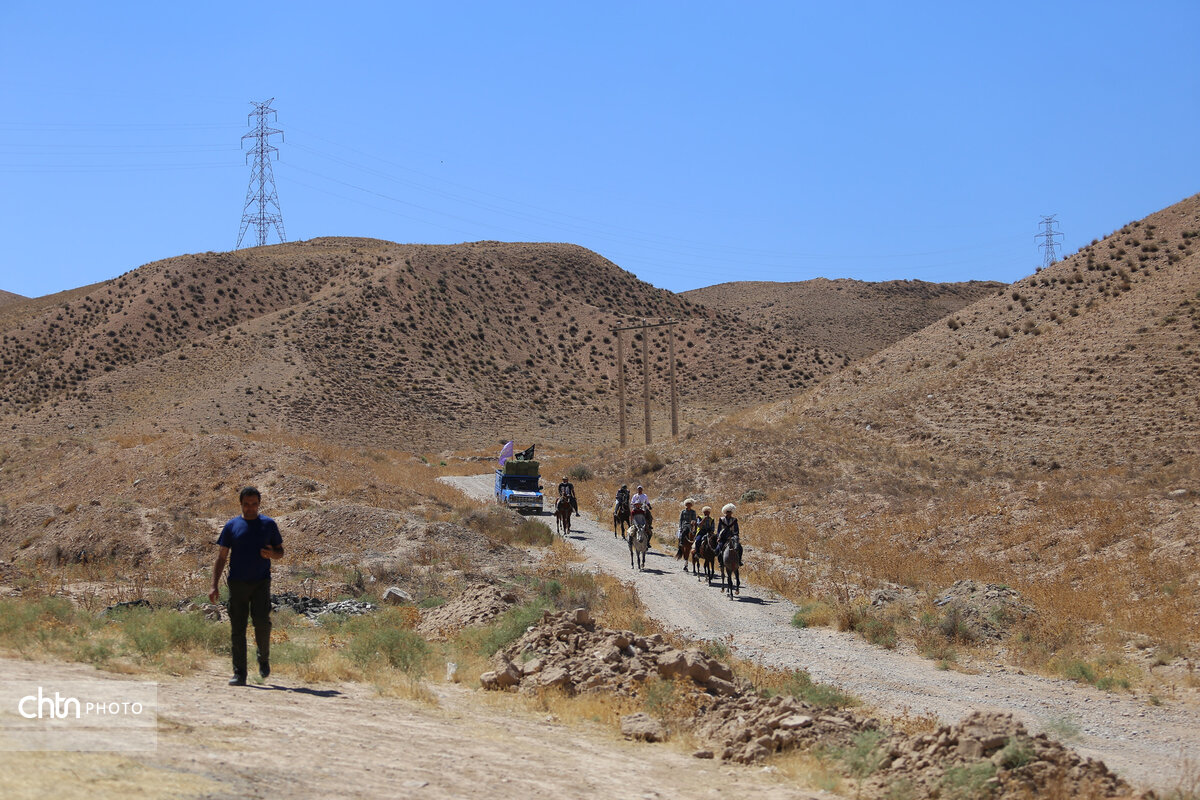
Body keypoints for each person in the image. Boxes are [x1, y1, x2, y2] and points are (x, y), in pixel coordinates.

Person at [210, 486, 284, 686]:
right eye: (246, 504)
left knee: (262, 623)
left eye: (254, 504)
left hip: (261, 582)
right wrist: (214, 585)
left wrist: (272, 555)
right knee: (237, 628)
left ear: (259, 504)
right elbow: (222, 556)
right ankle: (239, 673)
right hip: (237, 583)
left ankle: (263, 658)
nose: (250, 508)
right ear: (241, 504)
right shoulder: (231, 526)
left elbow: (280, 552)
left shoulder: (268, 525)